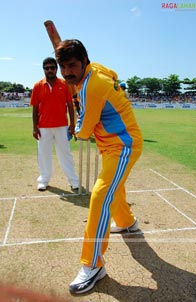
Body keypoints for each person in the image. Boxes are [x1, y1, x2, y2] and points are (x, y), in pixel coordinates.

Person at [55, 40, 143, 294]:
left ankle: (93, 264)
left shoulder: (91, 88)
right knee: (116, 187)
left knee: (101, 196)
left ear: (84, 61)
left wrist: (78, 111)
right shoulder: (98, 70)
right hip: (112, 144)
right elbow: (112, 76)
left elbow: (83, 132)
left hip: (123, 146)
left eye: (72, 66)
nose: (67, 72)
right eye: (63, 67)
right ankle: (127, 222)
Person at [30, 57, 79, 191]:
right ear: (43, 69)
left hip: (62, 126)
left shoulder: (65, 84)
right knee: (44, 154)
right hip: (43, 127)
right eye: (47, 68)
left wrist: (72, 124)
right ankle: (44, 180)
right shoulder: (38, 85)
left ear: (56, 69)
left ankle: (73, 180)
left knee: (65, 154)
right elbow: (35, 108)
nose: (50, 70)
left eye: (52, 67)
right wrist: (35, 127)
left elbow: (70, 105)